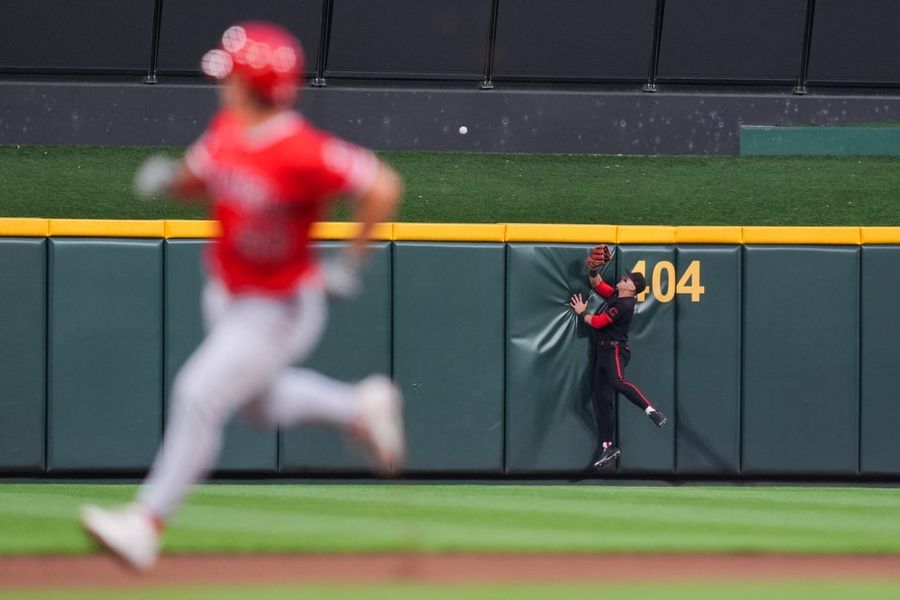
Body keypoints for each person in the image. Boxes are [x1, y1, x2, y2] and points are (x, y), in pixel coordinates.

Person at [80, 21, 405, 571]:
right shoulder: (228, 129)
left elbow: (382, 186)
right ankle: (359, 408)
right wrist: (171, 181)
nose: (222, 84)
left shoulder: (302, 150)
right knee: (260, 405)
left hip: (278, 305)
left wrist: (351, 261)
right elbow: (199, 175)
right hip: (228, 294)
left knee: (198, 391)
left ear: (253, 84)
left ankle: (146, 523)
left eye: (230, 75)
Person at [569, 270, 666, 470]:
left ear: (632, 287)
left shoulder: (625, 304)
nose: (624, 277)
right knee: (603, 402)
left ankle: (652, 411)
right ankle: (608, 447)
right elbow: (597, 284)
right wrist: (594, 269)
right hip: (603, 351)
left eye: (628, 279)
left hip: (615, 349)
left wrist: (582, 312)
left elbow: (598, 322)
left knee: (618, 381)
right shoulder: (616, 295)